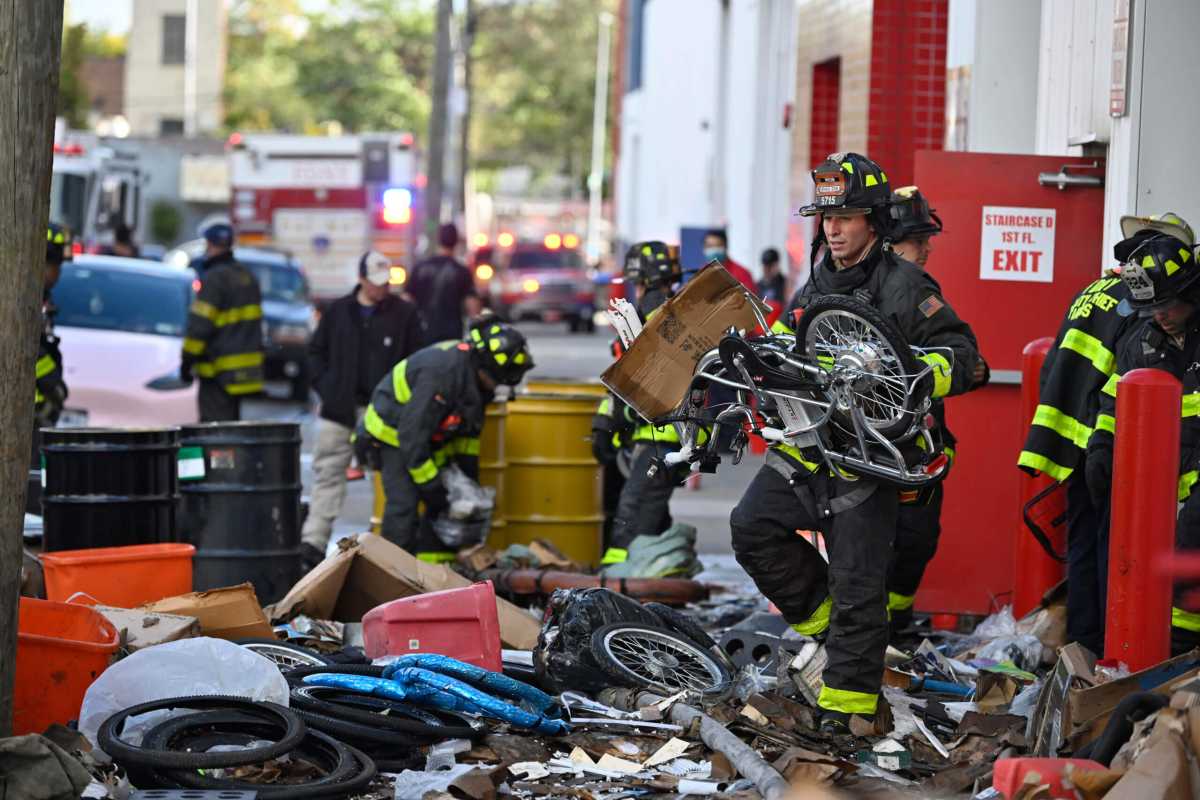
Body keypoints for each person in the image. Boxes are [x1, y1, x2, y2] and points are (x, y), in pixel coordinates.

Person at [731, 152, 981, 732]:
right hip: (813, 444)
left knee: (859, 580)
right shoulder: (817, 280)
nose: (833, 229)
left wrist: (923, 373)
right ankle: (836, 633)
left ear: (873, 220)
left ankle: (850, 717)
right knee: (752, 526)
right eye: (826, 218)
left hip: (871, 456)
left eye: (845, 217)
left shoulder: (907, 285)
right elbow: (790, 343)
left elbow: (969, 358)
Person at [1017, 218, 1154, 655]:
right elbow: (1130, 375)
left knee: (1082, 545)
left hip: (1070, 439)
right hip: (1104, 440)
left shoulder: (1093, 289)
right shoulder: (1137, 301)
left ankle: (1080, 647)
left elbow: (1057, 358)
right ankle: (1102, 651)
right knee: (1108, 550)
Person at [1085, 213, 1200, 654]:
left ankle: (1181, 649)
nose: (1160, 316)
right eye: (1151, 308)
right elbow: (1117, 398)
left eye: (1167, 306)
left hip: (1193, 484)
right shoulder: (1142, 341)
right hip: (1160, 487)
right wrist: (1102, 445)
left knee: (1187, 558)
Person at [885, 186, 988, 633]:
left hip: (913, 446)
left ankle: (896, 621)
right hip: (869, 449)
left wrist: (953, 370)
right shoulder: (836, 283)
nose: (926, 249)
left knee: (916, 537)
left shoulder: (913, 290)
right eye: (917, 240)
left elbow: (959, 349)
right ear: (889, 240)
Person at [357, 316, 534, 561]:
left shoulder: (477, 380)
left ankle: (437, 575)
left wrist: (467, 480)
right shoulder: (443, 377)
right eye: (499, 380)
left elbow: (468, 436)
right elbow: (412, 437)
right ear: (486, 368)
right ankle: (391, 573)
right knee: (404, 505)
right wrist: (432, 486)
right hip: (392, 435)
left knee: (445, 508)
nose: (499, 386)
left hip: (430, 435)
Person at [300, 251, 424, 567]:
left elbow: (417, 362)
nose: (383, 289)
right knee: (328, 473)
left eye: (387, 283)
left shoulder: (404, 314)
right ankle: (312, 544)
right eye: (377, 283)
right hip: (339, 411)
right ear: (362, 278)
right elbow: (315, 353)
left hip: (383, 415)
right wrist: (329, 389)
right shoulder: (338, 311)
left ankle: (383, 551)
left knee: (389, 479)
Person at [593, 242, 689, 566]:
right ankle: (668, 578)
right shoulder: (679, 316)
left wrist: (606, 424)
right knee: (654, 517)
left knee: (630, 523)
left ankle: (618, 590)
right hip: (676, 435)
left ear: (643, 281)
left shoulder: (644, 322)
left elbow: (625, 381)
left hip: (660, 438)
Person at [181, 221, 264, 421]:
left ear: (210, 244)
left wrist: (187, 360)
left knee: (215, 430)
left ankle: (219, 454)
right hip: (244, 372)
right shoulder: (246, 276)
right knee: (231, 428)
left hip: (217, 371)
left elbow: (200, 326)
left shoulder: (214, 279)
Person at [408, 223, 482, 346]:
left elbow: (407, 301)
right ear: (457, 241)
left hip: (423, 333)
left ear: (438, 239)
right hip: (451, 336)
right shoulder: (461, 271)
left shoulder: (420, 268)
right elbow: (473, 309)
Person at [35, 223, 71, 430]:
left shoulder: (41, 298)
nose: (59, 273)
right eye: (57, 265)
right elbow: (25, 349)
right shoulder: (21, 298)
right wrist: (52, 383)